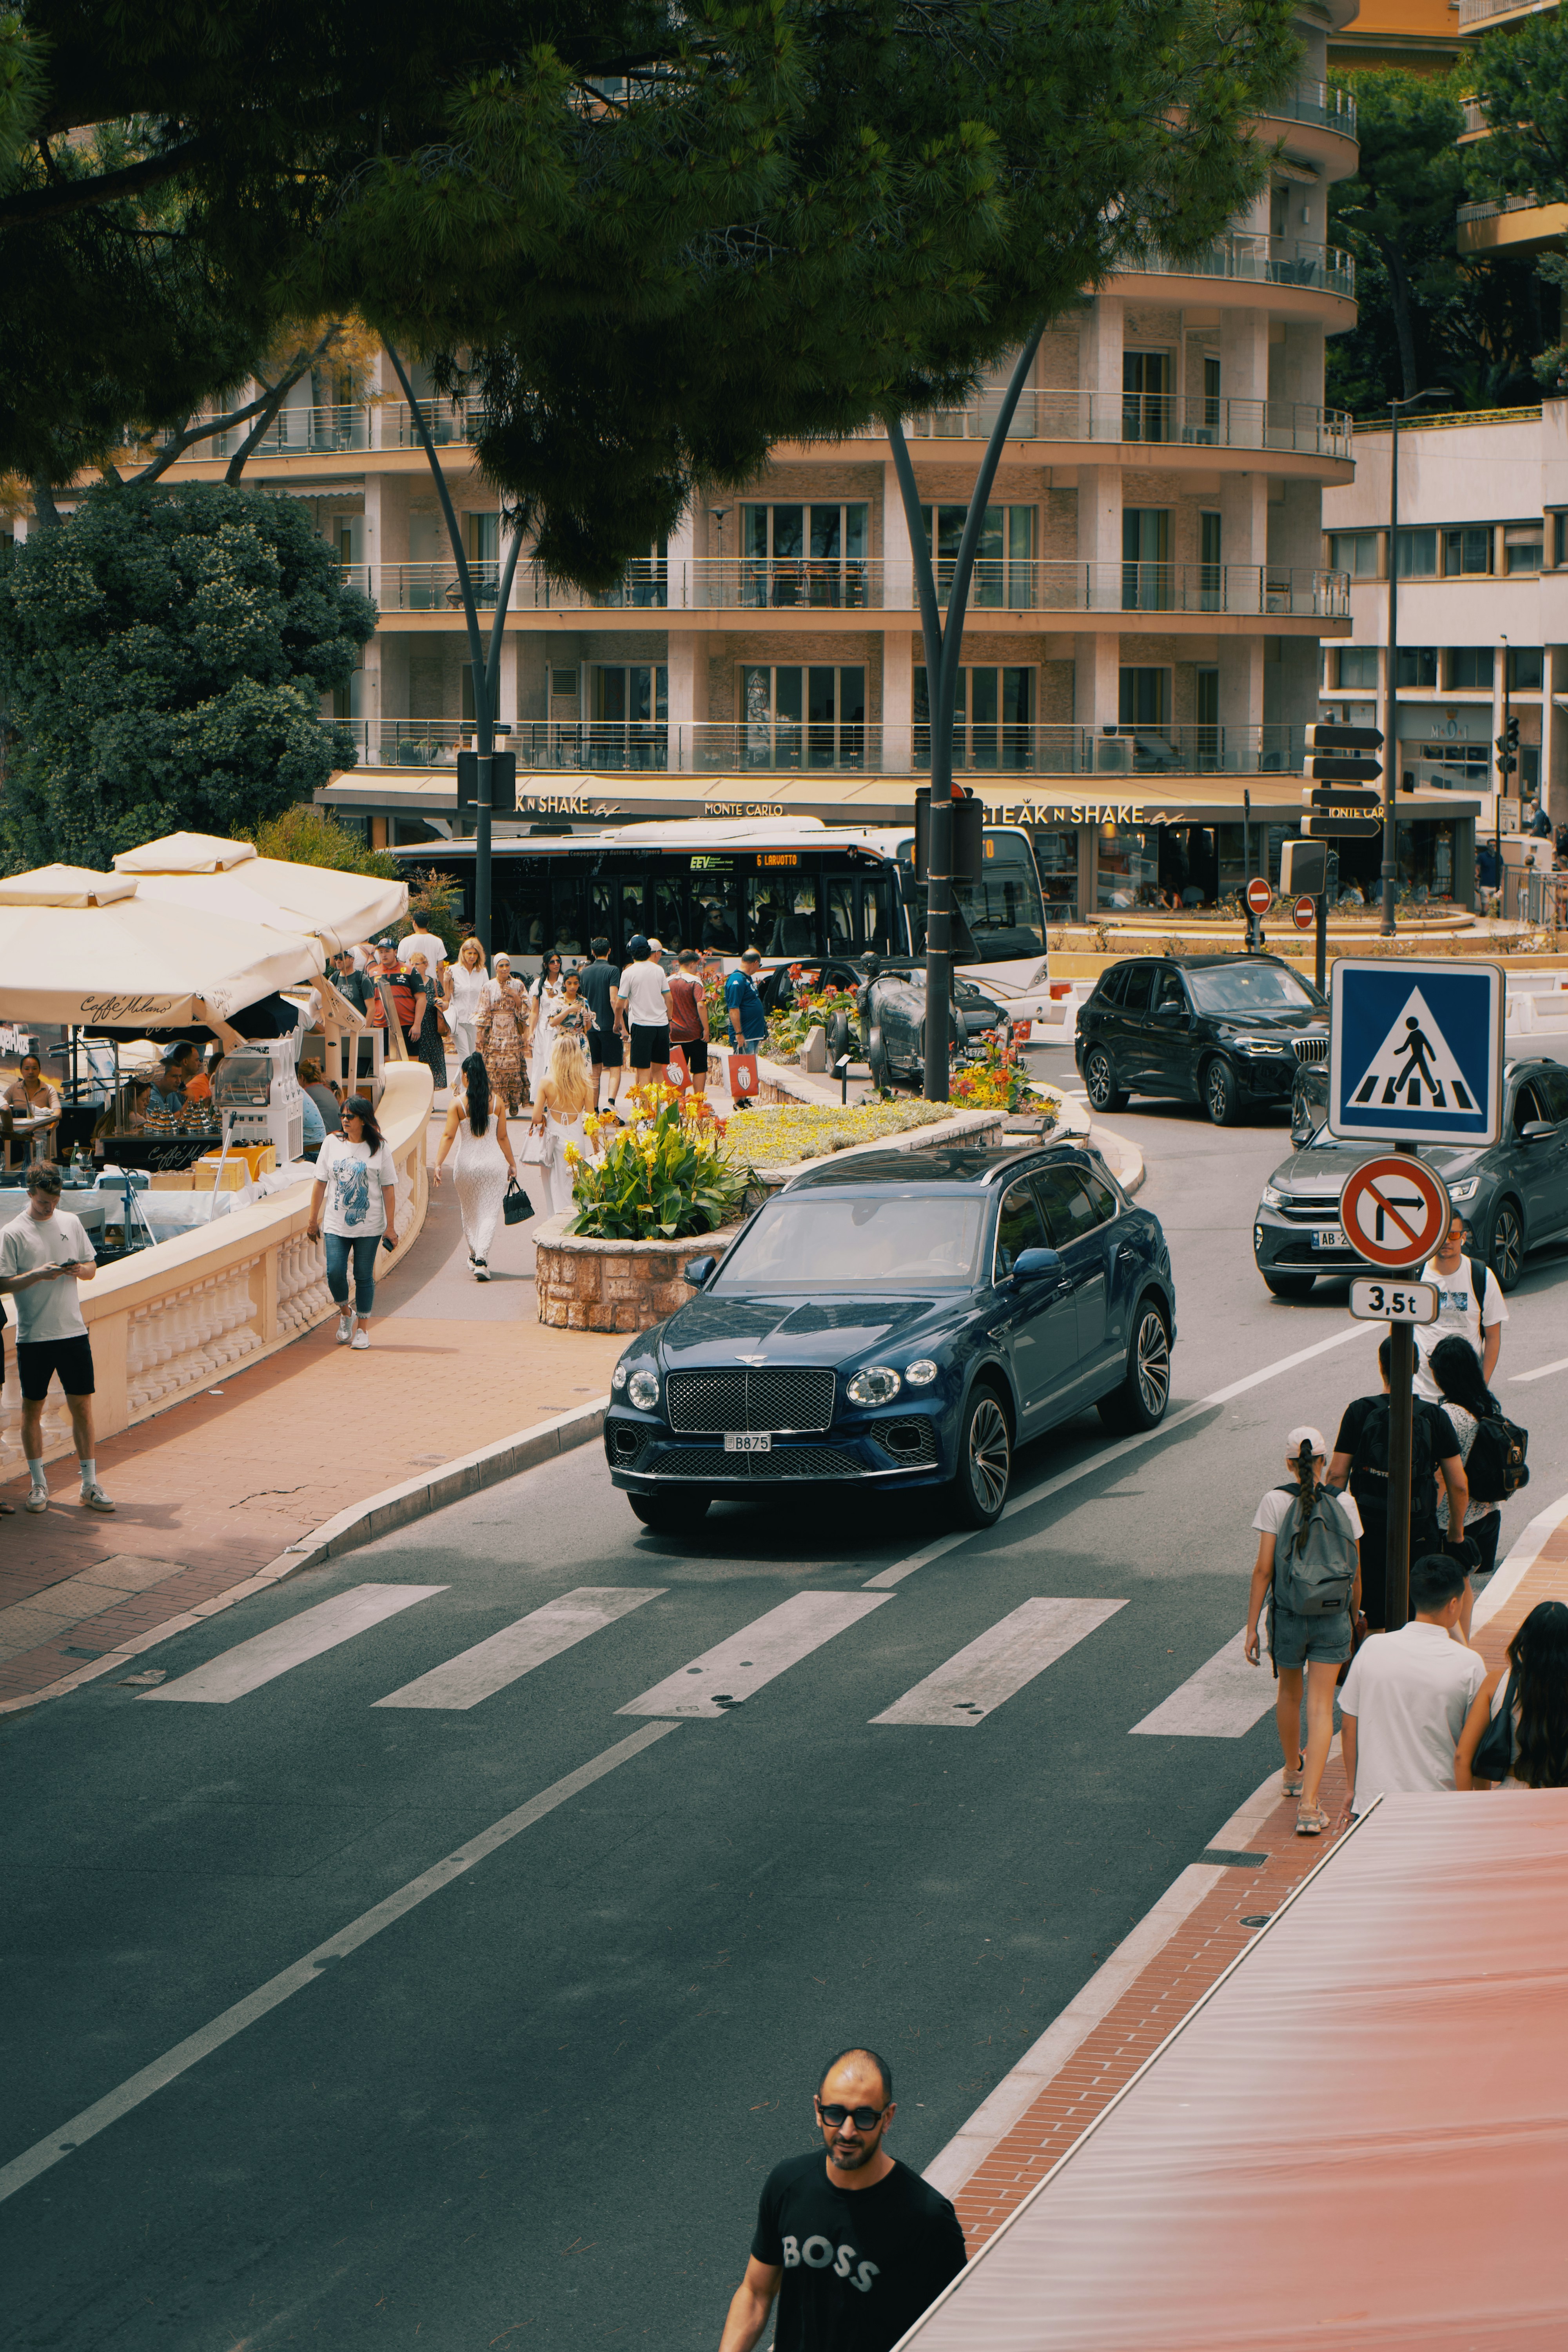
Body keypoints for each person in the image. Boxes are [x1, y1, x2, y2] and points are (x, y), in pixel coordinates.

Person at [717, 2047, 966, 2352]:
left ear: (887, 2118)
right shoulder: (787, 2184)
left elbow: (955, 2330)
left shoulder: (927, 2217)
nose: (847, 2132)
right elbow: (756, 2293)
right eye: (835, 2113)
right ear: (818, 2110)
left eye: (864, 2117)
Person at [1244, 1427, 1363, 1835]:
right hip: (1332, 1614)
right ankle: (1310, 1807)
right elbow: (1355, 1567)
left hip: (1289, 1612)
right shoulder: (1344, 1501)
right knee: (1320, 1706)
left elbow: (1263, 1569)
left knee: (1289, 1694)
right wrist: (1352, 1616)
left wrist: (1251, 1627)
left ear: (1289, 1464)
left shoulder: (1274, 1501)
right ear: (1323, 1461)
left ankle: (1292, 1774)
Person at [1327, 1335, 1468, 1629]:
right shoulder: (1434, 1416)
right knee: (1422, 1614)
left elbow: (1337, 1475)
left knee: (1371, 1614)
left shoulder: (1359, 1411)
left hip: (1367, 1528)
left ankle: (1372, 1669)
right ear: (1416, 1368)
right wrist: (1455, 1533)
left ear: (1382, 1367)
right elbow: (1458, 1484)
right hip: (1418, 1529)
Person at [0, 1161, 114, 1512]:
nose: (50, 1208)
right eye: (43, 1202)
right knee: (31, 1410)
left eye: (54, 1201)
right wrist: (38, 1275)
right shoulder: (12, 1233)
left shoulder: (71, 1222)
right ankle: (38, 1485)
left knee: (82, 1407)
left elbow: (93, 1268)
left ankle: (89, 1484)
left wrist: (80, 1270)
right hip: (34, 1336)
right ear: (30, 1193)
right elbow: (3, 1284)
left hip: (73, 1332)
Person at [1337, 1551, 1485, 1818]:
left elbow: (1349, 1727)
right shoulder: (1470, 1664)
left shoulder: (1373, 1648)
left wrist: (1352, 1788)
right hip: (1437, 1808)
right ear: (1453, 1604)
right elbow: (1473, 1747)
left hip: (1373, 1802)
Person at [306, 1096, 399, 1351]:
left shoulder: (379, 1148)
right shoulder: (331, 1143)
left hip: (369, 1226)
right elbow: (319, 1183)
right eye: (342, 1116)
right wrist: (313, 1220)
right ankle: (347, 1313)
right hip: (335, 1224)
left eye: (350, 1117)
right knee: (334, 1272)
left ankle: (363, 1331)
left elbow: (389, 1188)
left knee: (363, 1276)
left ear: (364, 1120)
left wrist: (390, 1227)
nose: (345, 1120)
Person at [1427, 1332, 1507, 1604]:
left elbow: (1445, 1478)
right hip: (1487, 1514)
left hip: (1452, 1522)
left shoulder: (1448, 1416)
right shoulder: (1487, 1405)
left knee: (1442, 1600)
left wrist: (1446, 1529)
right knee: (1462, 1590)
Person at [1456, 1599, 1568, 1791]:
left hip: (1512, 1794)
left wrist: (1476, 1804)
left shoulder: (1497, 1682)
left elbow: (1463, 1758)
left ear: (1526, 1638)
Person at [432, 1051, 517, 1280]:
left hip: (466, 1166)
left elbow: (448, 1136)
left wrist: (438, 1164)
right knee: (489, 1212)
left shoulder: (457, 1104)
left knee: (470, 1212)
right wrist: (512, 1163)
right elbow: (502, 1138)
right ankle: (481, 1259)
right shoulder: (498, 1103)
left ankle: (475, 1253)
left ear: (467, 1076)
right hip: (493, 1166)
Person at [1415, 1209, 1506, 1401]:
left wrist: (1482, 1386)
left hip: (1466, 1395)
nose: (1447, 1241)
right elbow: (1399, 1329)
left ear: (1463, 1238)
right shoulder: (1417, 1277)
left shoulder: (1481, 1276)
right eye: (1441, 1236)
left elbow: (1493, 1337)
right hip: (1421, 1394)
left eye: (1453, 1235)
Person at [532, 1037, 596, 1217]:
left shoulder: (546, 1082)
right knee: (576, 1187)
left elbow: (536, 1117)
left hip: (554, 1143)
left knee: (554, 1188)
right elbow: (591, 1121)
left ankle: (556, 1223)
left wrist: (546, 1120)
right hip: (576, 1141)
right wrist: (597, 1149)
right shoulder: (585, 1084)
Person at [615, 933, 673, 1089]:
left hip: (641, 1026)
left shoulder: (628, 973)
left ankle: (645, 1112)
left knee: (643, 1073)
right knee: (658, 1072)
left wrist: (617, 1024)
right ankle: (660, 1111)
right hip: (661, 1026)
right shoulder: (659, 970)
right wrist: (670, 1020)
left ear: (631, 952)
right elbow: (669, 999)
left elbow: (620, 1003)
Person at [477, 952, 530, 1114]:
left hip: (512, 1031)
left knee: (513, 1069)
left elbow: (527, 1010)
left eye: (507, 965)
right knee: (494, 1070)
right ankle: (498, 1103)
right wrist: (480, 1035)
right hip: (493, 1033)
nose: (505, 969)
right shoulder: (488, 986)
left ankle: (514, 1101)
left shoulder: (518, 985)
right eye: (501, 966)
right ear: (496, 968)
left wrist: (516, 997)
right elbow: (483, 1010)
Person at [578, 935, 625, 1115]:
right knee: (615, 1067)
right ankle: (611, 1103)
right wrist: (619, 1023)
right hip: (608, 1026)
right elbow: (614, 999)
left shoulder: (584, 973)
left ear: (592, 952)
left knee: (595, 1070)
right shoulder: (613, 971)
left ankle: (593, 1109)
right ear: (610, 951)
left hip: (591, 1027)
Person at [724, 946, 769, 1109]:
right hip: (745, 1033)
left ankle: (745, 1100)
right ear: (756, 963)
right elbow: (734, 1009)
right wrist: (739, 1033)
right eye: (760, 965)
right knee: (740, 1067)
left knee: (748, 1067)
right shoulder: (737, 981)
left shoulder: (746, 978)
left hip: (753, 1032)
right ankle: (738, 1102)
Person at [670, 947, 711, 1096]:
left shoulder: (668, 981)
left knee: (678, 1069)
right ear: (693, 964)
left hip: (674, 1034)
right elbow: (701, 1005)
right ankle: (698, 1102)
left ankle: (679, 1105)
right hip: (694, 1033)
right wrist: (706, 1029)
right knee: (699, 1068)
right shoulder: (695, 981)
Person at [404, 951, 448, 1091]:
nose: (415, 967)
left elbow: (447, 1003)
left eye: (418, 964)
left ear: (426, 965)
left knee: (432, 1068)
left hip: (432, 1032)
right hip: (415, 1030)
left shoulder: (434, 983)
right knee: (417, 1066)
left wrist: (442, 1003)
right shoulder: (408, 983)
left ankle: (431, 1100)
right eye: (412, 964)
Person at [443, 936, 488, 1066]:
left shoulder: (482, 972)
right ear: (463, 953)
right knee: (465, 1056)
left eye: (475, 954)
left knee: (472, 1055)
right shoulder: (453, 970)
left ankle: (457, 1084)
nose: (472, 957)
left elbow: (486, 996)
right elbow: (447, 997)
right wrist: (446, 981)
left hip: (474, 1020)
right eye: (470, 953)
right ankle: (466, 1087)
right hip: (458, 1020)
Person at [529, 950, 566, 1097]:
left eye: (558, 961)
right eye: (553, 962)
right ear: (546, 965)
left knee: (557, 1062)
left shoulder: (565, 981)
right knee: (541, 1062)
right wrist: (531, 1032)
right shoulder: (539, 984)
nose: (556, 964)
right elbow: (534, 1011)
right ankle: (540, 1097)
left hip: (560, 1028)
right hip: (543, 1028)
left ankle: (557, 1095)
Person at [298, 1059, 343, 1139]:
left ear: (302, 1077)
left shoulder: (305, 1095)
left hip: (321, 1143)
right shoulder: (328, 1091)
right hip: (337, 1139)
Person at [399, 916, 448, 982]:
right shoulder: (438, 941)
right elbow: (441, 968)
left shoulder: (405, 942)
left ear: (414, 923)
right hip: (432, 984)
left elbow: (401, 966)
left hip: (412, 984)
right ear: (427, 924)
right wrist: (443, 989)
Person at [332, 948, 373, 1018]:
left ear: (352, 959)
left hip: (359, 1026)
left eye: (342, 958)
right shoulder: (333, 979)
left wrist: (365, 1028)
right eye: (336, 958)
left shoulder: (362, 980)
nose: (338, 961)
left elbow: (371, 1009)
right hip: (339, 1026)